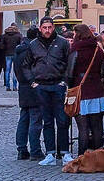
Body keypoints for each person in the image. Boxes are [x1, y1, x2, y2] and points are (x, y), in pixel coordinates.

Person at [19, 16, 71, 166]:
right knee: (47, 121)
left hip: (58, 84)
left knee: (62, 120)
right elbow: (26, 65)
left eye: (49, 27)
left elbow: (69, 62)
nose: (47, 30)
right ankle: (50, 153)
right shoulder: (34, 45)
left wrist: (64, 81)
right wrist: (32, 82)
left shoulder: (62, 42)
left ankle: (65, 152)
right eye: (45, 28)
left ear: (53, 27)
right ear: (40, 29)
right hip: (41, 86)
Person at [67, 24, 104, 157]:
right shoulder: (98, 49)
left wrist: (70, 85)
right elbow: (103, 72)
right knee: (97, 126)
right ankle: (98, 155)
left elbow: (70, 72)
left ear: (78, 34)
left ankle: (82, 157)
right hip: (96, 90)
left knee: (83, 128)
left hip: (81, 91)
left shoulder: (76, 49)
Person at [13, 26, 45, 160]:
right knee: (35, 120)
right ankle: (35, 150)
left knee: (24, 119)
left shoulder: (19, 50)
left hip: (23, 87)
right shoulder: (33, 50)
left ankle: (21, 149)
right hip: (33, 87)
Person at [1, 22, 21, 90]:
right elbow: (21, 45)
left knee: (7, 70)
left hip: (7, 54)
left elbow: (2, 46)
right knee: (15, 70)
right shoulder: (18, 35)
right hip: (16, 54)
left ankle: (7, 86)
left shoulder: (5, 35)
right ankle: (15, 86)